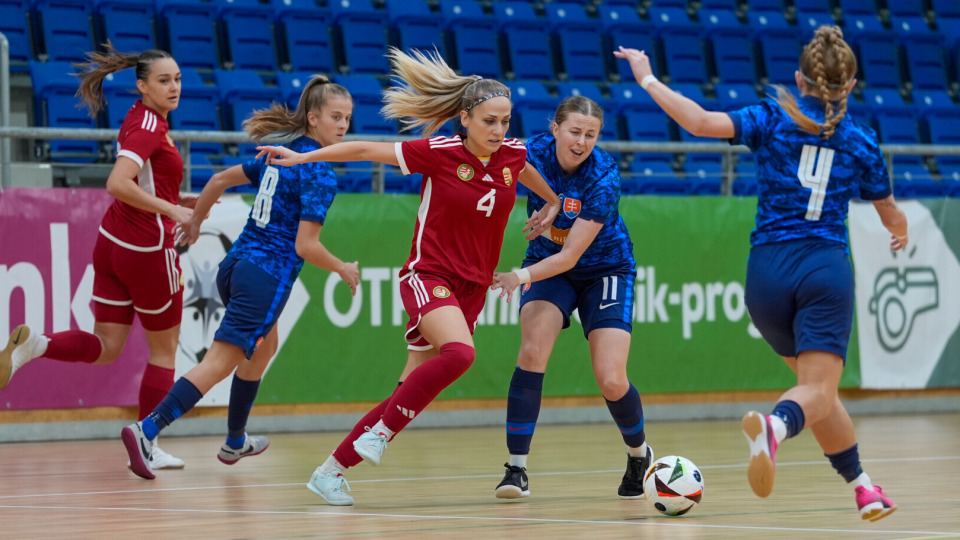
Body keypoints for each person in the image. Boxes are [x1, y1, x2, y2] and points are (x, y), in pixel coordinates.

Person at [615, 25, 907, 521]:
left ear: (799, 78)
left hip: (766, 276)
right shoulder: (860, 141)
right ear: (852, 85)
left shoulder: (772, 116)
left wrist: (646, 78)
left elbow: (701, 122)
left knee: (817, 392)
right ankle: (775, 428)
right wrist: (899, 231)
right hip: (823, 267)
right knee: (814, 393)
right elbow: (889, 212)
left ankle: (863, 487)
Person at [255, 47, 561, 506]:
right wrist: (300, 159)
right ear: (464, 120)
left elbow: (532, 177)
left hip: (472, 287)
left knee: (407, 393)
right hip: (428, 273)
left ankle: (330, 471)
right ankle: (379, 433)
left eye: (505, 121)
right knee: (459, 355)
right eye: (489, 122)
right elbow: (362, 149)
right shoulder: (438, 152)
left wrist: (552, 204)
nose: (499, 131)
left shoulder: (512, 155)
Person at [121, 75, 360, 480]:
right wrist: (341, 267)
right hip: (265, 275)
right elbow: (305, 246)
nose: (343, 126)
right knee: (218, 362)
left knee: (265, 347)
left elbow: (216, 180)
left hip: (234, 268)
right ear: (313, 118)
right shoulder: (318, 171)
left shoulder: (279, 153)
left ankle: (235, 440)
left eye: (348, 119)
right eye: (335, 117)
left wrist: (195, 223)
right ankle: (147, 430)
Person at [0, 45, 196, 469]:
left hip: (112, 243)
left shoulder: (140, 117)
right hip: (146, 249)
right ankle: (147, 439)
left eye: (177, 78)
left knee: (108, 346)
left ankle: (37, 344)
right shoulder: (148, 127)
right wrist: (171, 210)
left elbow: (141, 184)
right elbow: (117, 183)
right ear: (142, 85)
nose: (174, 86)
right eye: (164, 80)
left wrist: (177, 199)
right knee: (163, 353)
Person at [487, 96, 653, 500]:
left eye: (590, 135)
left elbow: (571, 256)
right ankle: (516, 469)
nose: (581, 142)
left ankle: (639, 454)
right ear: (556, 128)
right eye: (574, 132)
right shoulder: (528, 153)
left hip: (604, 270)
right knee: (532, 352)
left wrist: (517, 277)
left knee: (611, 378)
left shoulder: (603, 177)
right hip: (546, 265)